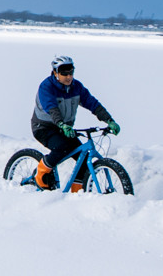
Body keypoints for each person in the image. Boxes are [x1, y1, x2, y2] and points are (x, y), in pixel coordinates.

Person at [31, 55, 120, 191]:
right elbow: (51, 108)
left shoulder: (76, 87)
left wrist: (109, 120)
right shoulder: (46, 87)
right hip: (43, 127)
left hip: (64, 128)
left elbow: (93, 104)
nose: (68, 77)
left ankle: (76, 192)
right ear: (55, 73)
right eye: (64, 73)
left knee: (82, 158)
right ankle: (41, 172)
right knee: (62, 147)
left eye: (71, 73)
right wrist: (61, 124)